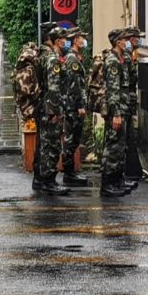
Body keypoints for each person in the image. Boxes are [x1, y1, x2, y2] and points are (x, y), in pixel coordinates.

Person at [33, 26, 68, 195]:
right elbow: (54, 87)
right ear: (56, 40)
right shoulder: (53, 59)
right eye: (63, 38)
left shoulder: (44, 55)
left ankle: (40, 179)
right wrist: (55, 111)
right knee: (51, 145)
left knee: (43, 144)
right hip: (50, 108)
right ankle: (48, 181)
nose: (65, 41)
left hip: (43, 106)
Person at [100, 29, 131, 197]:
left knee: (119, 147)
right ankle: (107, 184)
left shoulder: (121, 59)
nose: (126, 41)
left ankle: (116, 181)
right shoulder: (112, 61)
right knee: (112, 147)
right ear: (117, 42)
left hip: (122, 108)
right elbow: (113, 90)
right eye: (124, 39)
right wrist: (117, 114)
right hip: (116, 111)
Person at [59, 26, 90, 187]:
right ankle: (69, 173)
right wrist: (79, 105)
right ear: (75, 40)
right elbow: (74, 84)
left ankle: (71, 172)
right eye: (81, 37)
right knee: (71, 139)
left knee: (74, 139)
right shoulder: (72, 59)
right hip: (72, 105)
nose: (83, 40)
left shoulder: (75, 57)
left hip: (73, 104)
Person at [122, 26, 143, 191]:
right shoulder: (124, 58)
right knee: (121, 140)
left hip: (127, 103)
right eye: (137, 37)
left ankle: (127, 173)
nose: (139, 40)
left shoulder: (131, 56)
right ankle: (121, 176)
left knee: (128, 138)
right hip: (123, 104)